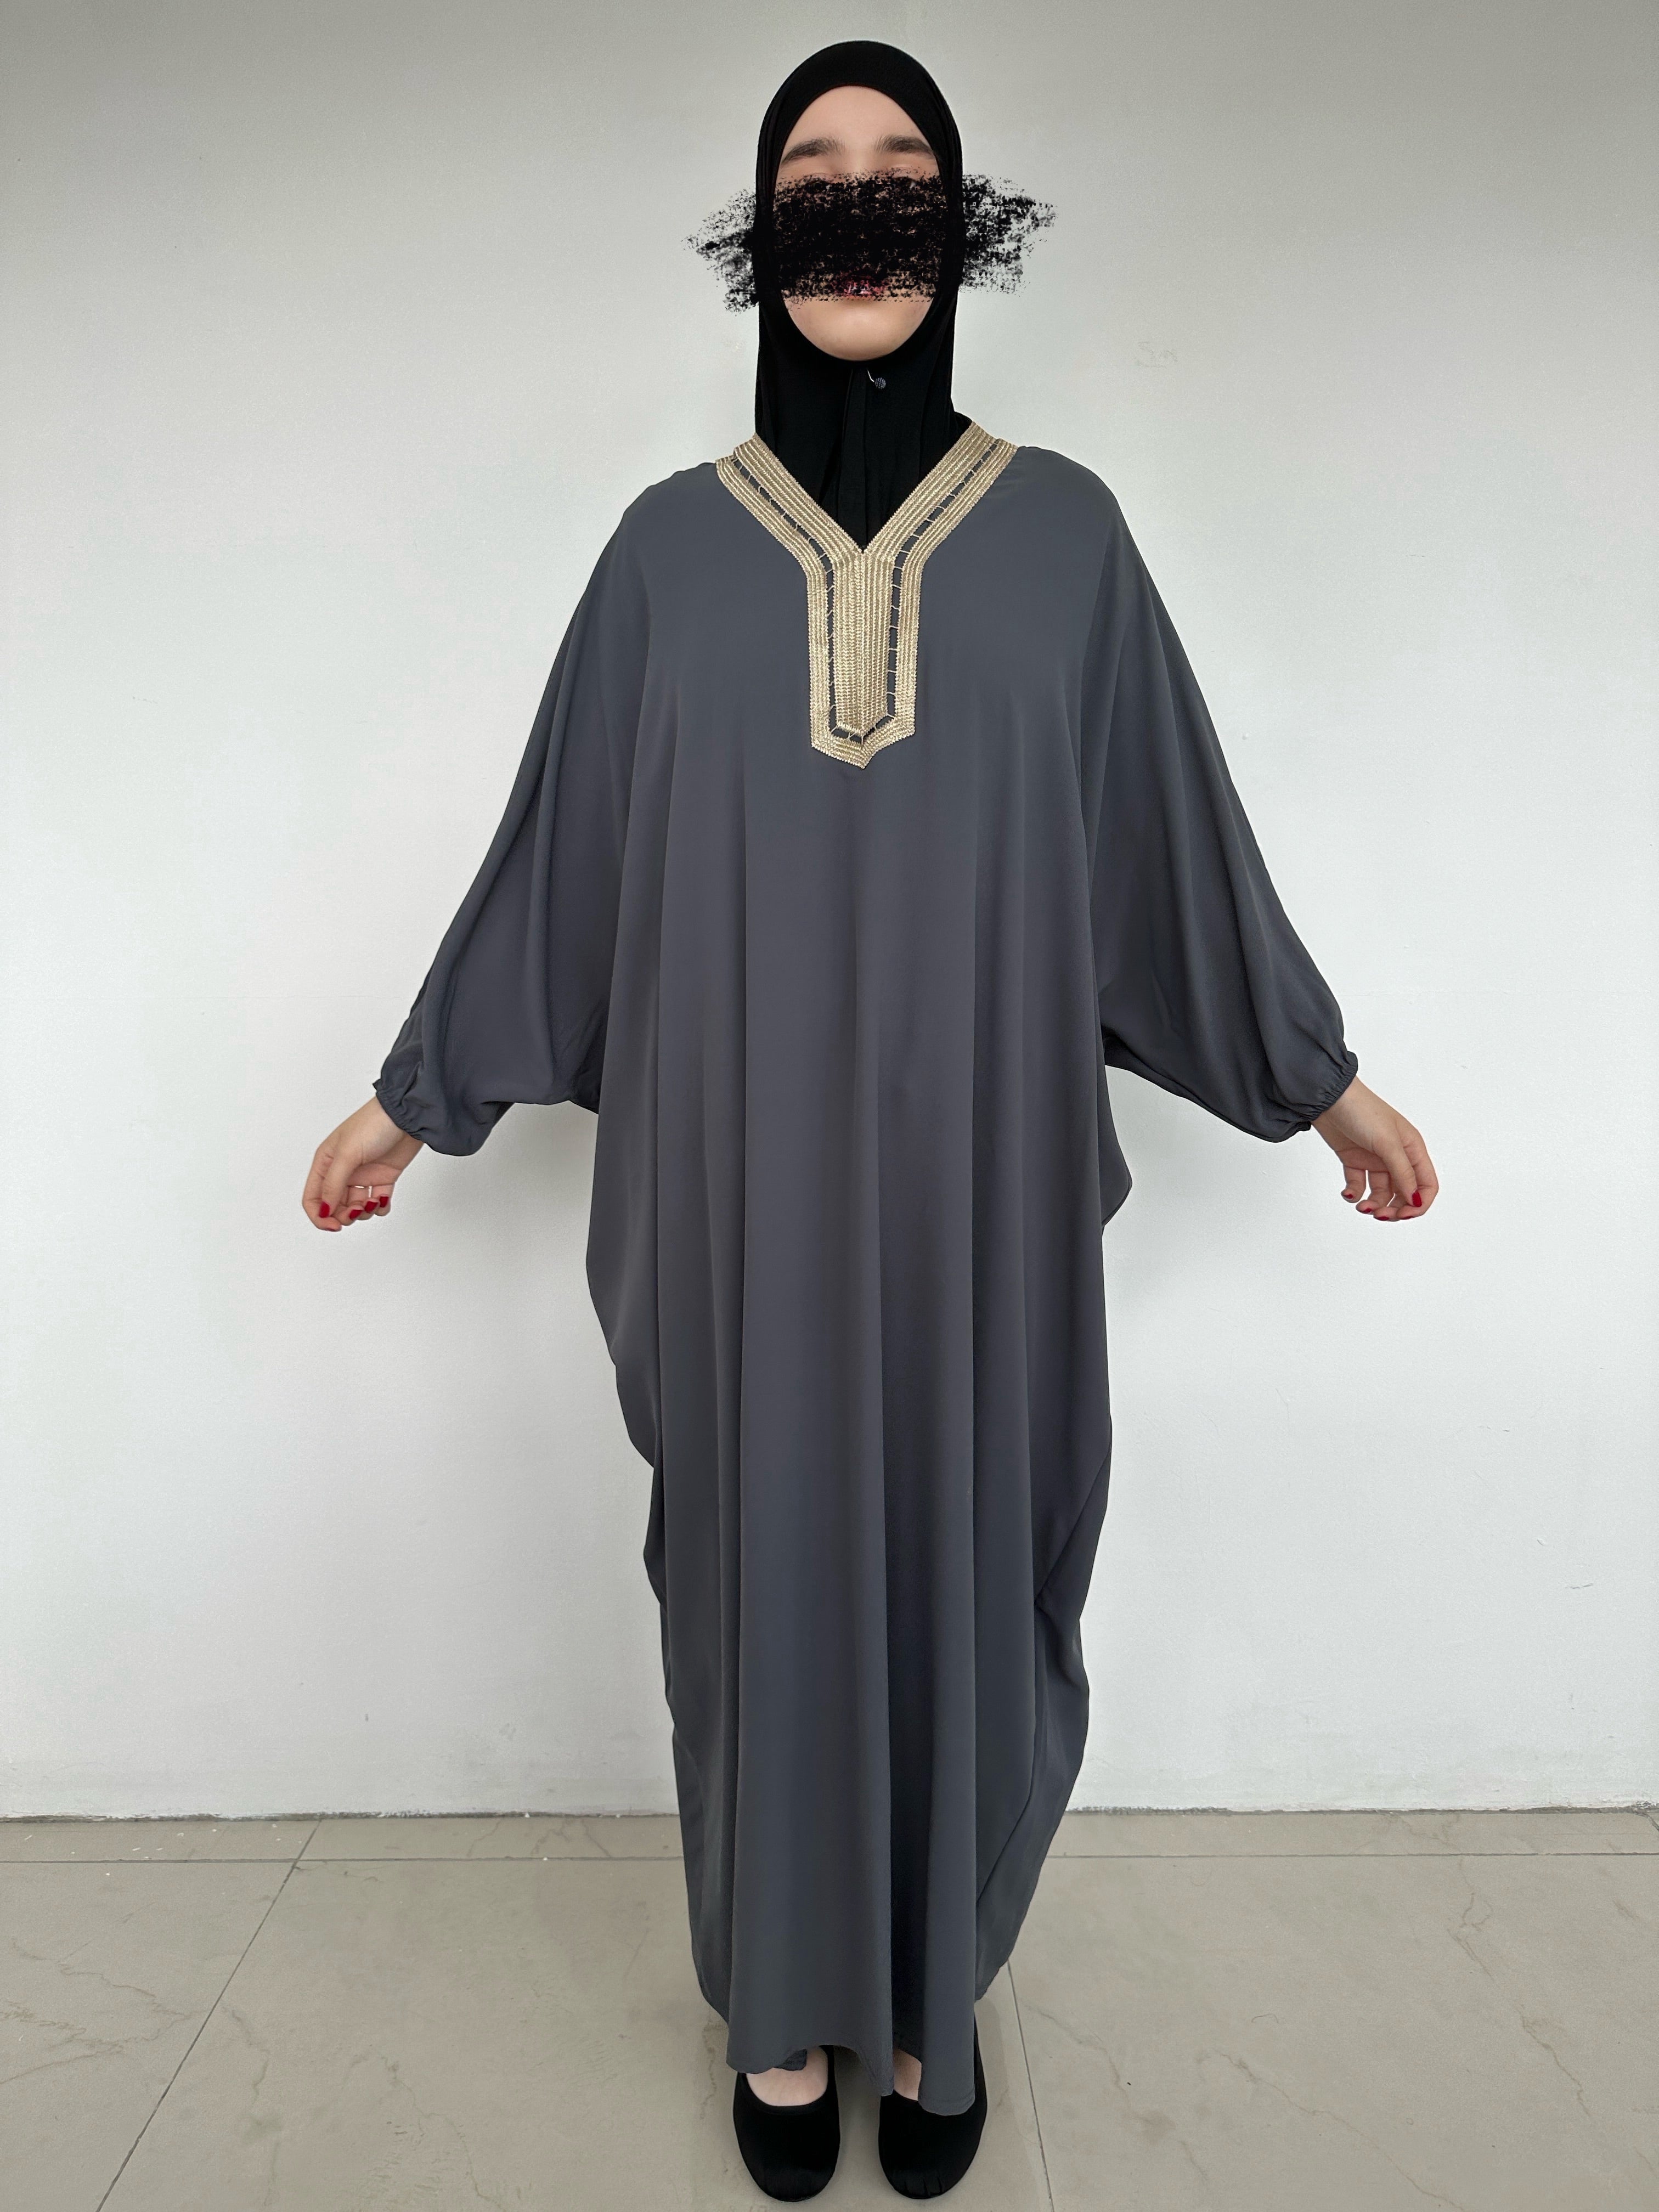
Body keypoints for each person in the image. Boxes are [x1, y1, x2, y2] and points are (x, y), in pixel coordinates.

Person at [302, 40, 1438, 2204]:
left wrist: (1322, 1088)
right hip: (735, 1206)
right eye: (812, 166)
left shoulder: (1070, 541)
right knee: (758, 1578)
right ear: (761, 229)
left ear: (960, 219)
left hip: (979, 1198)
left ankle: (933, 1992)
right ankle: (778, 2004)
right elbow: (560, 861)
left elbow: (1170, 848)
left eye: (902, 161)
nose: (858, 194)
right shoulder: (663, 558)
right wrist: (411, 1099)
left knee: (973, 1564)